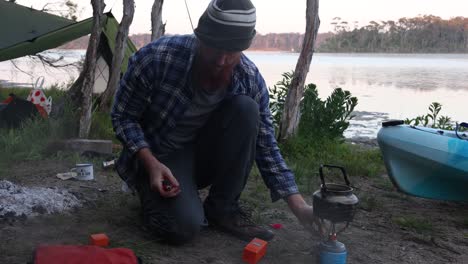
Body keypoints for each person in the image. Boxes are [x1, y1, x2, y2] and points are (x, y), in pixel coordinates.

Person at [111, 0, 314, 245]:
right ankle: (154, 195)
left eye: (232, 52)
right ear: (200, 38)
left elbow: (266, 144)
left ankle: (223, 209)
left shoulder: (250, 79)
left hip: (202, 155)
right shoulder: (156, 59)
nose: (221, 60)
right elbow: (123, 116)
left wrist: (300, 207)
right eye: (215, 48)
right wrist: (150, 163)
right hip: (158, 154)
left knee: (246, 109)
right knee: (182, 228)